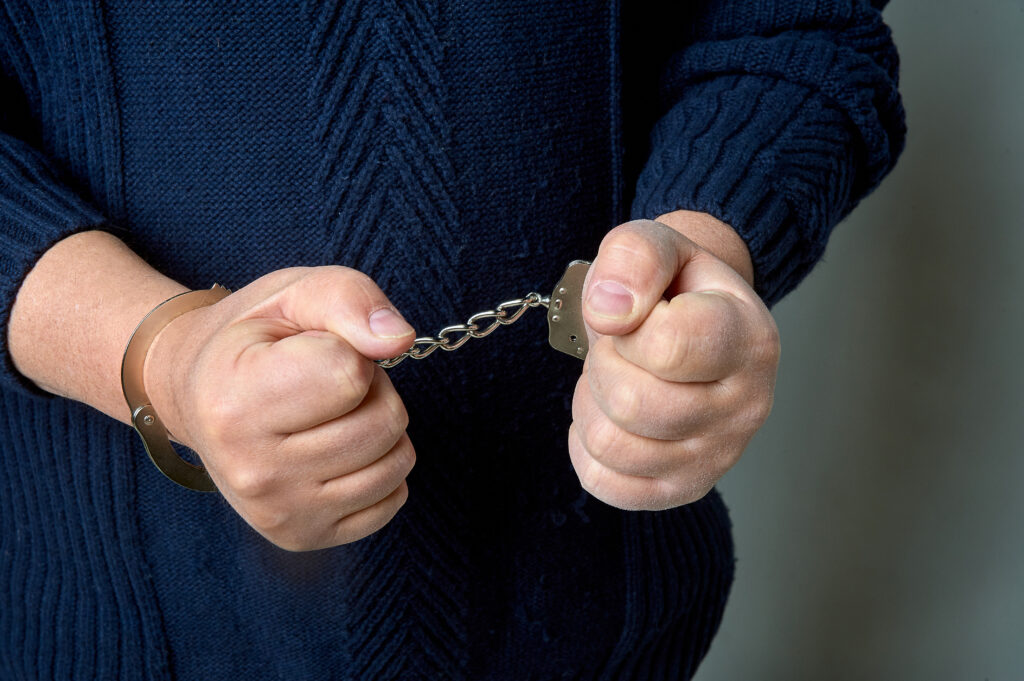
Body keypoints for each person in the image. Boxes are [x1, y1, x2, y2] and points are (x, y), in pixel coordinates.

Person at [0, 1, 904, 679]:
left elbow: (796, 26)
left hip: (608, 641)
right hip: (104, 636)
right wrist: (160, 354)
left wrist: (706, 249)